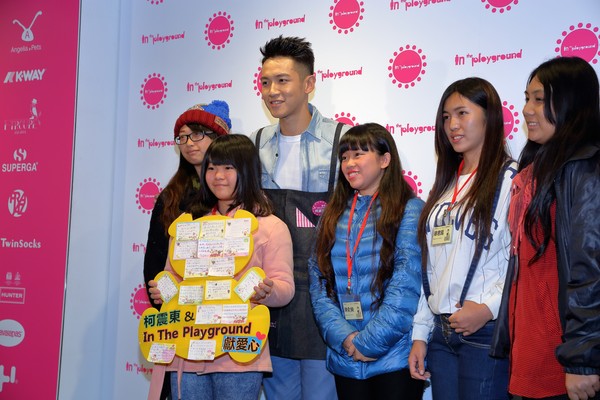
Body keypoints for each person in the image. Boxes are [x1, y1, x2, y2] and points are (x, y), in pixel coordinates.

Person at [147, 134, 295, 400]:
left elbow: (285, 287)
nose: (218, 176)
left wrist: (267, 291)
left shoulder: (270, 226)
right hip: (189, 350)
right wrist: (164, 291)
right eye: (212, 168)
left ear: (247, 171)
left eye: (228, 168)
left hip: (238, 351)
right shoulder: (189, 225)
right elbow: (171, 276)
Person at [250, 35, 349, 400]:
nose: (272, 91)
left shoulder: (342, 141)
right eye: (265, 82)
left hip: (324, 294)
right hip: (269, 293)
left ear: (309, 84)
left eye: (282, 80)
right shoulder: (254, 144)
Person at [408, 77, 517, 400]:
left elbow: (521, 260)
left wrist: (488, 308)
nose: (452, 125)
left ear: (489, 116)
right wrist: (421, 333)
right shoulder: (445, 185)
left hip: (484, 331)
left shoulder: (511, 179)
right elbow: (432, 268)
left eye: (462, 113)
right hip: (441, 334)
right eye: (446, 117)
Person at [502, 56, 600, 400]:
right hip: (527, 353)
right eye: (526, 98)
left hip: (564, 360)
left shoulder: (584, 168)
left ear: (573, 102)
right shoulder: (530, 173)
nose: (527, 110)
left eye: (540, 99)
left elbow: (591, 269)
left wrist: (582, 360)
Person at [308, 123, 425, 399]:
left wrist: (369, 343)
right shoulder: (332, 213)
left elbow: (406, 285)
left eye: (359, 154)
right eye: (344, 157)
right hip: (346, 358)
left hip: (394, 358)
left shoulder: (409, 209)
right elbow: (318, 281)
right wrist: (346, 338)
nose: (349, 163)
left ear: (385, 160)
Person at [143, 100, 231, 400]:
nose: (189, 143)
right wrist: (166, 302)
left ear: (219, 138)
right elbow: (154, 263)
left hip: (223, 320)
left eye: (197, 134)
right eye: (182, 137)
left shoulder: (233, 194)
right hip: (178, 319)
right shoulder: (171, 195)